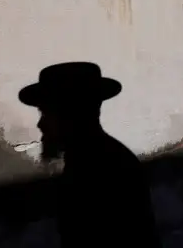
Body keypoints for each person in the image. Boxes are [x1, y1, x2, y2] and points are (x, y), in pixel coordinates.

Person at [19, 62, 161, 247]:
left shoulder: (103, 167)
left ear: (72, 114)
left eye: (47, 113)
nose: (41, 124)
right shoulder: (88, 159)